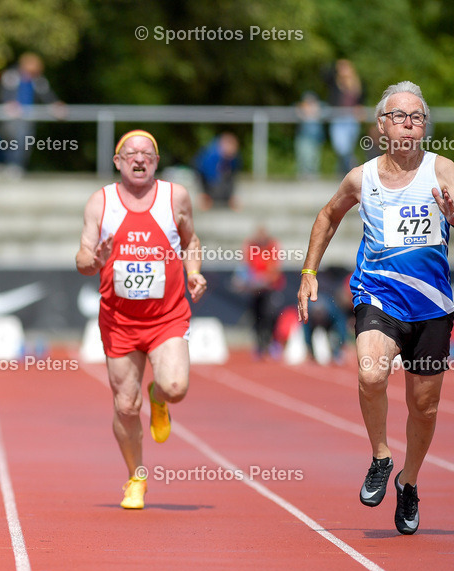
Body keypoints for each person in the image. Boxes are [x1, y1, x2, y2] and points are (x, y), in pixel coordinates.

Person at [297, 81, 454, 535]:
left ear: (425, 127)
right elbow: (328, 215)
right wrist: (309, 273)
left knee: (424, 408)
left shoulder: (443, 171)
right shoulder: (361, 178)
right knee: (370, 372)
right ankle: (382, 457)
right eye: (399, 116)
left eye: (417, 117)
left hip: (433, 306)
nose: (408, 124)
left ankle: (409, 482)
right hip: (378, 297)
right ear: (381, 126)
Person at [75, 130, 207, 510]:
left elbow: (191, 240)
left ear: (155, 160)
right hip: (118, 319)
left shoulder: (175, 196)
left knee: (176, 386)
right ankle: (136, 478)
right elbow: (82, 259)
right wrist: (96, 259)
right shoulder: (100, 203)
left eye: (146, 153)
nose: (138, 158)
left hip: (166, 316)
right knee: (126, 406)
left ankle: (160, 396)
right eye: (130, 153)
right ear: (117, 161)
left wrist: (194, 271)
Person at [0, 53, 65, 175]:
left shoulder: (38, 79)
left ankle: (16, 167)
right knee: (10, 140)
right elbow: (3, 94)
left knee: (24, 141)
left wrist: (56, 105)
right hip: (10, 117)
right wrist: (9, 104)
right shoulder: (11, 75)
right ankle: (7, 165)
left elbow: (47, 95)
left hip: (27, 117)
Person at [234, 225, 285, 359]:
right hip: (255, 290)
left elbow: (275, 269)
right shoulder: (251, 247)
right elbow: (245, 266)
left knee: (270, 316)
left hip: (271, 289)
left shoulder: (272, 246)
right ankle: (259, 345)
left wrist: (263, 279)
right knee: (256, 317)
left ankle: (273, 342)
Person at [324, 59, 364, 176]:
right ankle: (353, 167)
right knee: (341, 148)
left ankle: (343, 173)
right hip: (338, 119)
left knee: (348, 149)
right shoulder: (334, 82)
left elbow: (360, 101)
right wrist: (336, 67)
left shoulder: (357, 84)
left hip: (352, 120)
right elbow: (324, 75)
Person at [193, 132, 241, 210]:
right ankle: (206, 199)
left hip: (220, 177)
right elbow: (207, 175)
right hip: (204, 176)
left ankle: (228, 199)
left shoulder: (233, 157)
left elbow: (234, 171)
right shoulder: (211, 155)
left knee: (229, 180)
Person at [295, 91, 325, 179]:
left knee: (314, 157)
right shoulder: (300, 109)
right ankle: (304, 173)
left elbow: (327, 111)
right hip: (304, 137)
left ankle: (313, 174)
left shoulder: (320, 108)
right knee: (304, 155)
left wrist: (316, 111)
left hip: (316, 137)